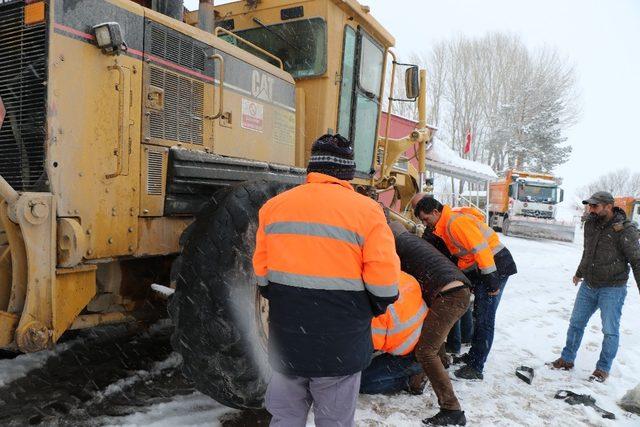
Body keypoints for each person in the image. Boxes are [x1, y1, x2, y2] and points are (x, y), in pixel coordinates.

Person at [253, 134, 400, 427]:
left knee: (285, 416)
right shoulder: (368, 212)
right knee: (333, 421)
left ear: (312, 167)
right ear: (347, 171)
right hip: (340, 344)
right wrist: (366, 308)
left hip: (288, 339)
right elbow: (384, 285)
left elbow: (263, 276)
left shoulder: (273, 207)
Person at [414, 197, 517, 381]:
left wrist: (492, 280)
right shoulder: (445, 225)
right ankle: (473, 356)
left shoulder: (455, 223)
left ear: (436, 212)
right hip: (485, 268)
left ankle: (476, 367)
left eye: (426, 219)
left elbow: (481, 249)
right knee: (479, 313)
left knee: (485, 317)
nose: (425, 223)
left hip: (495, 265)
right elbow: (464, 255)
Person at [551, 191, 640, 382]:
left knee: (609, 330)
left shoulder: (625, 229)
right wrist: (579, 273)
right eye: (589, 206)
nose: (590, 209)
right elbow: (588, 252)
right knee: (576, 324)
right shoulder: (591, 224)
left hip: (613, 288)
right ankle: (567, 359)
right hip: (589, 284)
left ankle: (602, 369)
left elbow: (636, 260)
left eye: (594, 206)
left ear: (608, 206)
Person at [392, 222, 471, 426]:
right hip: (455, 290)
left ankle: (451, 409)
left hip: (449, 295)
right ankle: (430, 373)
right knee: (433, 337)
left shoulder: (396, 246)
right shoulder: (410, 240)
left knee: (425, 351)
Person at [360, 271, 428, 395]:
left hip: (409, 354)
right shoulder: (400, 275)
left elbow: (367, 348)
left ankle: (409, 379)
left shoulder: (374, 309)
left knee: (360, 383)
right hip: (428, 338)